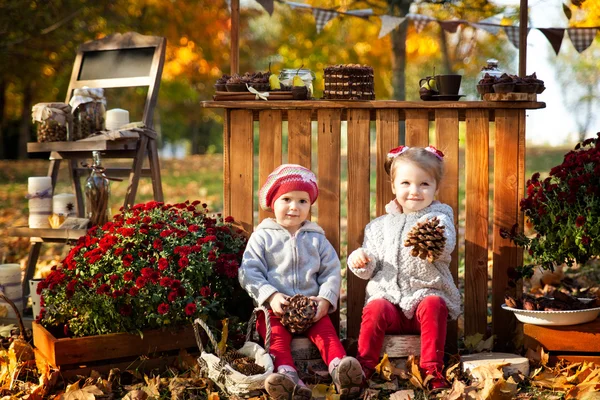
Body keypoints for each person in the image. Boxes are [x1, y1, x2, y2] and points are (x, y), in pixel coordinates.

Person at [239, 164, 363, 400]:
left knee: (327, 334)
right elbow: (249, 271)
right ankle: (288, 379)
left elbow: (331, 271)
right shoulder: (262, 237)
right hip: (274, 309)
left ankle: (341, 370)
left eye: (303, 201)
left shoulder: (316, 239)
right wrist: (271, 296)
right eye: (286, 199)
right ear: (272, 202)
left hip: (311, 307)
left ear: (310, 205)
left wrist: (325, 299)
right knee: (275, 339)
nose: (294, 207)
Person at [347, 146, 461, 392]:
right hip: (390, 305)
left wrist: (436, 241)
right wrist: (361, 260)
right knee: (375, 307)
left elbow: (446, 245)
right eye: (406, 183)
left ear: (436, 188)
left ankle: (432, 370)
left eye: (424, 184)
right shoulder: (378, 227)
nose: (414, 191)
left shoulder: (439, 219)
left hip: (424, 300)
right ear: (393, 186)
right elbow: (371, 267)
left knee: (434, 304)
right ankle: (362, 367)